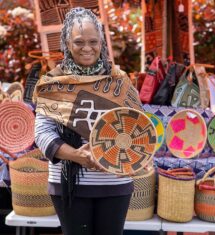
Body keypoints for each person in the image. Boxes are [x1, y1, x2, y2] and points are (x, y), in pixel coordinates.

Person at [33, 7, 142, 235]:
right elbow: (43, 134)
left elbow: (138, 127)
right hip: (71, 186)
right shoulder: (52, 84)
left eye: (93, 41)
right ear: (66, 43)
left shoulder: (119, 83)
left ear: (101, 42)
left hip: (115, 183)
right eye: (79, 42)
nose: (87, 48)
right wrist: (79, 156)